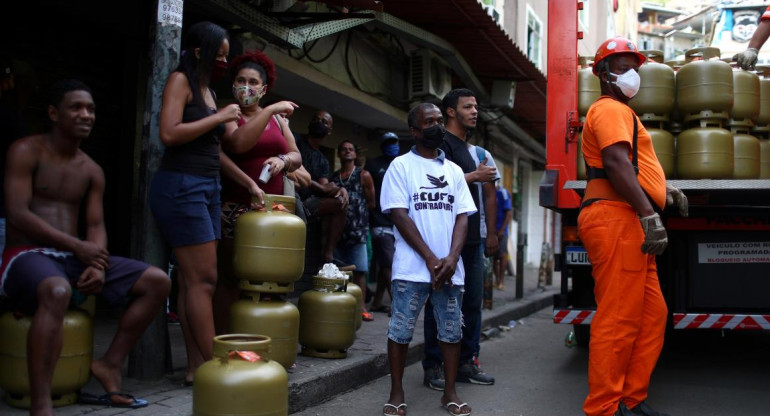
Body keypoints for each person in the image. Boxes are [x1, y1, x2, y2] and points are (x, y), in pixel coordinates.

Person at [1, 79, 171, 414]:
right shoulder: (25, 150)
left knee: (157, 282)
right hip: (25, 256)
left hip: (73, 257)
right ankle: (41, 403)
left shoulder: (91, 169)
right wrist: (79, 248)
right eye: (76, 107)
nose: (86, 115)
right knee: (57, 291)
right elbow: (17, 213)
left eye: (91, 109)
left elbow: (95, 226)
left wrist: (96, 264)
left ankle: (109, 364)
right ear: (53, 113)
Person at [580, 37, 688, 416]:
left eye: (634, 68)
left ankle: (629, 398)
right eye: (623, 67)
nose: (632, 75)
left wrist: (662, 190)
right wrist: (648, 212)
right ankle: (605, 408)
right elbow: (615, 162)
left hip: (626, 217)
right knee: (620, 317)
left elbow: (630, 165)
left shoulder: (622, 112)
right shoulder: (609, 108)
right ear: (603, 74)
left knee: (651, 314)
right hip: (617, 217)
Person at [149, 21, 241, 385]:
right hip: (181, 185)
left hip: (208, 187)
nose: (223, 62)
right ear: (199, 52)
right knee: (205, 280)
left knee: (192, 284)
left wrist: (247, 180)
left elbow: (216, 148)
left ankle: (195, 367)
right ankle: (219, 367)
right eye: (218, 55)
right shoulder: (180, 81)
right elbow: (169, 133)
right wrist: (219, 117)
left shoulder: (208, 90)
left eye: (226, 56)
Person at [380, 102, 476, 416]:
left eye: (439, 120)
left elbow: (463, 216)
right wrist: (431, 258)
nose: (436, 125)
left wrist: (451, 258)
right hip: (411, 269)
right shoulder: (400, 166)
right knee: (401, 331)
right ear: (414, 130)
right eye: (429, 121)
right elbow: (398, 214)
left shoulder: (454, 171)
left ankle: (449, 392)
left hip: (450, 269)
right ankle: (396, 392)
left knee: (451, 333)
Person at [213, 49, 302, 335]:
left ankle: (265, 340)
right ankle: (226, 341)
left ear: (263, 89)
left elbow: (296, 155)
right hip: (236, 207)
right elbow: (237, 145)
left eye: (253, 82)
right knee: (229, 277)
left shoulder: (277, 121)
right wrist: (270, 110)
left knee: (269, 279)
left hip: (273, 212)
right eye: (241, 80)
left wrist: (283, 160)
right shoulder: (229, 114)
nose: (246, 87)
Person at [423, 88, 498, 391]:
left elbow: (488, 192)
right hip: (445, 239)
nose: (474, 111)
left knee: (472, 304)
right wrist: (473, 178)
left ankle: (467, 361)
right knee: (440, 303)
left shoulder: (471, 150)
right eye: (468, 107)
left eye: (476, 107)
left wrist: (491, 232)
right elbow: (435, 186)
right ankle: (433, 366)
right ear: (451, 112)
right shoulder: (441, 145)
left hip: (471, 238)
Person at [295, 110, 349, 266]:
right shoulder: (296, 140)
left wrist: (340, 189)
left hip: (308, 203)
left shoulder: (323, 161)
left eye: (324, 122)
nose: (319, 123)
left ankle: (328, 253)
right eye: (316, 119)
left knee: (341, 203)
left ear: (329, 131)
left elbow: (324, 187)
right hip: (290, 195)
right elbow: (291, 169)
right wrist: (320, 186)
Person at [331, 140, 375, 321]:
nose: (347, 152)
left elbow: (371, 203)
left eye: (351, 149)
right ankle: (339, 306)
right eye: (344, 149)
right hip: (338, 233)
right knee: (338, 271)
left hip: (358, 231)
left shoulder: (363, 175)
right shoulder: (335, 178)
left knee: (359, 271)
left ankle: (361, 307)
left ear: (355, 154)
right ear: (339, 154)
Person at [365, 132, 399, 315]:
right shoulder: (373, 165)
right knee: (388, 265)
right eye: (388, 143)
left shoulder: (403, 164)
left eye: (395, 142)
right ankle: (397, 303)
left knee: (385, 265)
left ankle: (377, 302)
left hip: (399, 223)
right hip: (379, 222)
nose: (392, 145)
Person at [493, 182, 513, 290]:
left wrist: (502, 229)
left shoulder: (503, 193)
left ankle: (501, 281)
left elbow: (509, 212)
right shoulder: (491, 192)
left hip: (501, 231)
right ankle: (496, 281)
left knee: (502, 255)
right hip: (492, 231)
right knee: (493, 257)